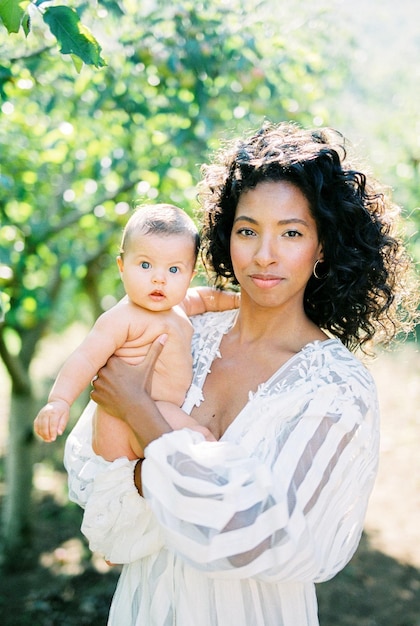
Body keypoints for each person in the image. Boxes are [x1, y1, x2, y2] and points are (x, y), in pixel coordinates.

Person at [64, 122, 418, 626]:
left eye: (291, 232)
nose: (264, 254)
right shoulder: (183, 331)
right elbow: (104, 521)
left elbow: (273, 540)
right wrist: (164, 472)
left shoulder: (335, 387)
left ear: (322, 246)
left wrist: (142, 419)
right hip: (146, 608)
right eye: (248, 230)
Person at [35, 203, 239, 459]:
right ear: (121, 266)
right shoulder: (123, 318)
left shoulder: (178, 306)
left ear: (190, 275)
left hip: (152, 411)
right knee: (202, 441)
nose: (159, 278)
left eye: (174, 269)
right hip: (126, 419)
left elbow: (206, 299)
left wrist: (238, 301)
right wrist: (59, 401)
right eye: (145, 265)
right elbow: (85, 358)